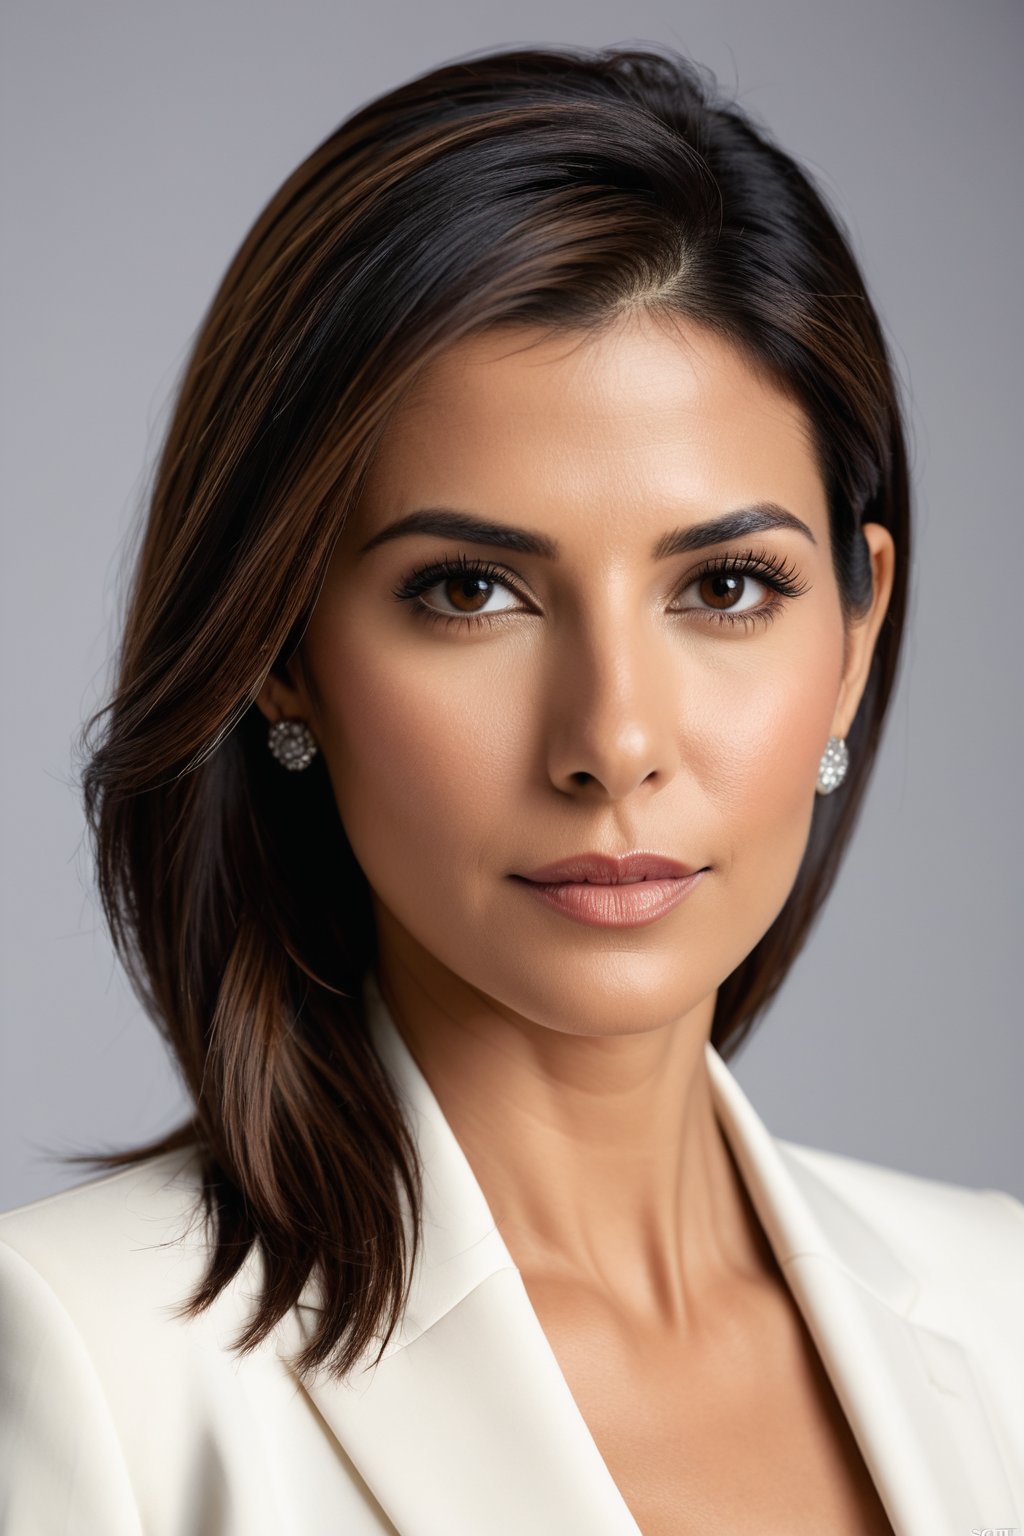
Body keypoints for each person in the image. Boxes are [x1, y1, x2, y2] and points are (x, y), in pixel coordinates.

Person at [0, 40, 1021, 1536]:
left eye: (726, 584)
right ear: (282, 649)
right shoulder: (85, 1365)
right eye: (471, 590)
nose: (613, 738)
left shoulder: (1004, 1313)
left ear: (855, 634)